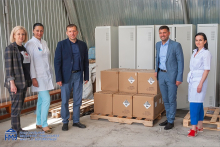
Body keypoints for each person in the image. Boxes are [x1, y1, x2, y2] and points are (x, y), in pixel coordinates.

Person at [54, 24, 89, 131]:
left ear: (77, 32)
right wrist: (58, 78)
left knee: (77, 99)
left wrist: (86, 76)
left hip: (78, 75)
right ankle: (65, 121)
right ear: (66, 33)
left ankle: (76, 121)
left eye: (74, 31)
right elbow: (57, 62)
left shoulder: (82, 45)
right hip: (65, 76)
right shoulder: (61, 44)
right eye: (70, 31)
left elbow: (85, 62)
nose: (72, 33)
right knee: (65, 100)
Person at [25, 23, 54, 134]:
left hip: (46, 75)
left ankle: (38, 122)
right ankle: (45, 124)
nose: (39, 33)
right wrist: (33, 78)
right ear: (33, 31)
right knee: (46, 99)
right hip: (37, 76)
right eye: (37, 30)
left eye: (41, 31)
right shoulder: (30, 44)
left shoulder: (44, 42)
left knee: (41, 100)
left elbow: (46, 60)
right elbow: (30, 62)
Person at [4, 26, 32, 138]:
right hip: (15, 83)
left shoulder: (24, 49)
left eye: (23, 34)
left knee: (19, 107)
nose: (21, 36)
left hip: (24, 82)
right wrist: (12, 83)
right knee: (15, 107)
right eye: (19, 34)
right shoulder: (10, 48)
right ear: (14, 35)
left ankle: (18, 128)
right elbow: (8, 67)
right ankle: (15, 130)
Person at [155, 25, 184, 130]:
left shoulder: (176, 45)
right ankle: (168, 118)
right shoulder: (158, 45)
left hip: (171, 75)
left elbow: (180, 62)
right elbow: (157, 59)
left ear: (169, 33)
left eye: (164, 32)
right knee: (165, 99)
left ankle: (171, 121)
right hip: (161, 74)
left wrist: (179, 77)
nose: (162, 35)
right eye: (160, 33)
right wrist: (156, 71)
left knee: (172, 99)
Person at [187, 33, 211, 137]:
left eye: (200, 40)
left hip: (199, 80)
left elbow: (206, 70)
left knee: (194, 105)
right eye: (196, 40)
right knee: (199, 104)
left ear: (205, 41)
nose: (198, 42)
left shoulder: (206, 53)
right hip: (193, 80)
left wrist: (200, 84)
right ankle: (200, 127)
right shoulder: (195, 52)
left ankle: (193, 129)